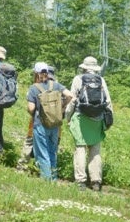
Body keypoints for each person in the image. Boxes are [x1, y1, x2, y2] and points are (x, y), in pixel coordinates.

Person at [67, 56, 112, 190]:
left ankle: (81, 181)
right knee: (95, 150)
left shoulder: (78, 79)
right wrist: (109, 120)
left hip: (81, 118)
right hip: (97, 119)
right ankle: (96, 181)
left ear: (84, 68)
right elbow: (108, 101)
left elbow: (72, 100)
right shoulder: (101, 80)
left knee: (80, 149)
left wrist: (68, 116)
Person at [26, 62, 69, 182]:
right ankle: (54, 178)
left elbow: (31, 108)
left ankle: (46, 179)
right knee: (52, 151)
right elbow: (70, 95)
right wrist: (61, 108)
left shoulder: (34, 88)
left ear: (36, 73)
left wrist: (32, 113)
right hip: (55, 124)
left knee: (42, 152)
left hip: (40, 124)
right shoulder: (55, 85)